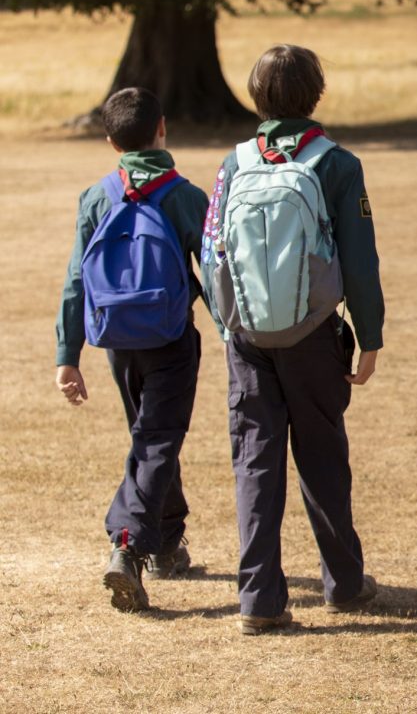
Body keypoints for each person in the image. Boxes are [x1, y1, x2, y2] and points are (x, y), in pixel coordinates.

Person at [202, 45, 384, 634]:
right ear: (316, 93)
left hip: (248, 335)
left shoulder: (232, 164)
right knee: (323, 456)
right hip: (313, 336)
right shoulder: (336, 163)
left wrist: (229, 320)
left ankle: (259, 599)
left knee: (255, 463)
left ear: (257, 96)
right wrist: (371, 334)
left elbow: (209, 254)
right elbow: (359, 259)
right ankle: (345, 584)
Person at [54, 87, 210, 612]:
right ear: (162, 128)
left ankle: (167, 544)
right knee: (158, 440)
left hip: (116, 340)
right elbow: (216, 276)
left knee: (151, 438)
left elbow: (77, 280)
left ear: (109, 141)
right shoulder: (185, 195)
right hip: (169, 338)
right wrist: (240, 336)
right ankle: (128, 545)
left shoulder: (96, 196)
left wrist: (67, 356)